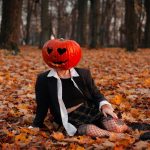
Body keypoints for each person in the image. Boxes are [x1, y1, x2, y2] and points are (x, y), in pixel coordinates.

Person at [32, 38, 128, 137]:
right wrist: (36, 125)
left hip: (89, 109)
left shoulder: (83, 74)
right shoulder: (43, 79)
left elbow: (96, 94)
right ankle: (112, 135)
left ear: (73, 54)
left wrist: (105, 106)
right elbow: (42, 106)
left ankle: (131, 128)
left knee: (116, 127)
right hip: (69, 117)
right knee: (91, 130)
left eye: (62, 52)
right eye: (50, 51)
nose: (57, 56)